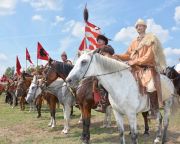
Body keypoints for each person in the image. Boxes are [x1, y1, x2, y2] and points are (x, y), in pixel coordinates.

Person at [114, 19, 166, 119]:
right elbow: (128, 55)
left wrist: (134, 62)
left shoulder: (151, 39)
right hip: (135, 70)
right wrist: (119, 56)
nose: (138, 28)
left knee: (151, 87)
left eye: (141, 26)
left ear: (145, 27)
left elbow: (149, 56)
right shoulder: (134, 42)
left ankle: (154, 110)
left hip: (148, 69)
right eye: (137, 26)